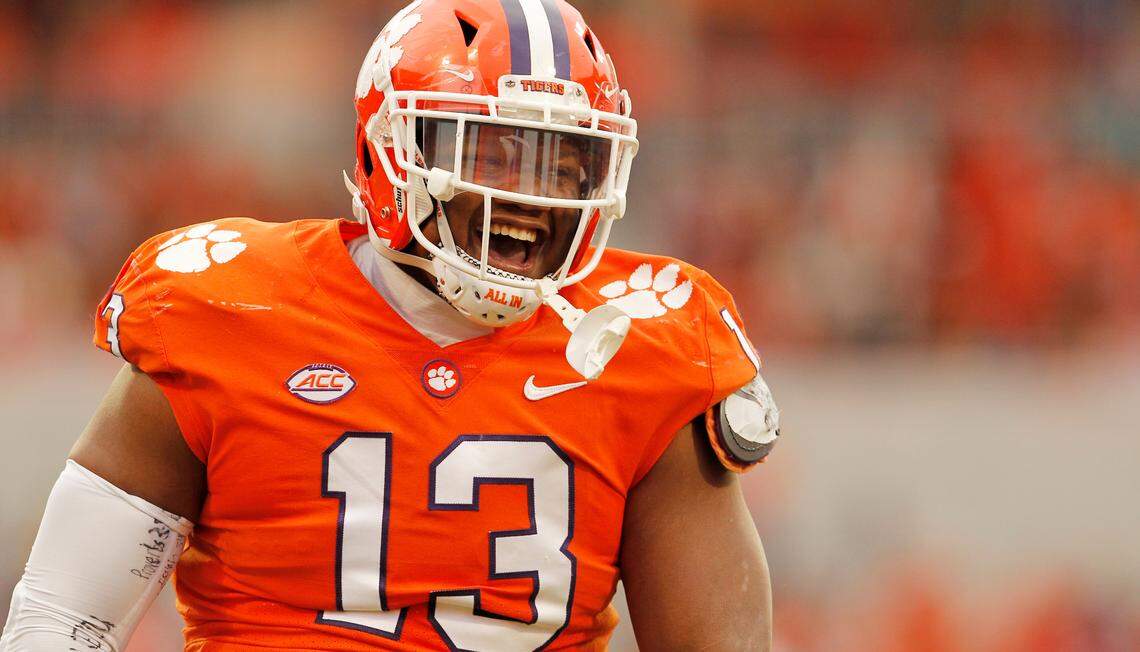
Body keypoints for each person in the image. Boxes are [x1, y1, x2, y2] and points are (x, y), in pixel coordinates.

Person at [1, 0, 780, 649]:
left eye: (560, 162)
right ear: (390, 150)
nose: (528, 195)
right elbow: (62, 620)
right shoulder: (230, 309)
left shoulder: (651, 343)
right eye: (490, 152)